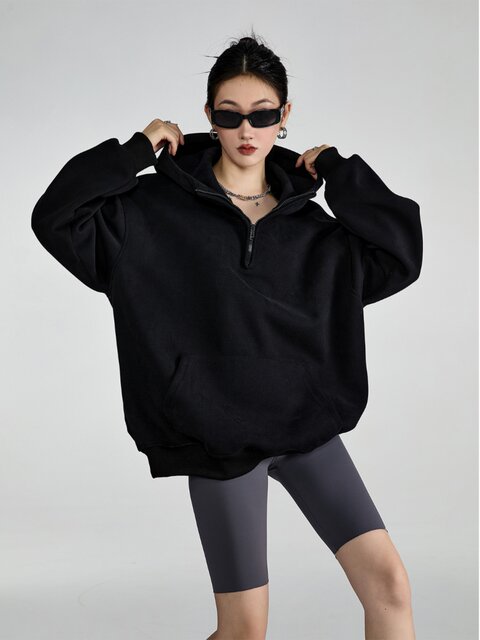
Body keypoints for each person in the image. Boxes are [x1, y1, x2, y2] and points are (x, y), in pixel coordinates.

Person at [31, 30, 422, 640]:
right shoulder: (150, 211)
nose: (246, 130)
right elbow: (56, 215)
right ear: (208, 116)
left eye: (262, 115)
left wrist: (340, 172)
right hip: (218, 438)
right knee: (244, 630)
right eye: (229, 115)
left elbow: (401, 253)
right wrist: (134, 150)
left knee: (390, 587)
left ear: (285, 116)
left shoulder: (313, 229)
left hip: (305, 426)